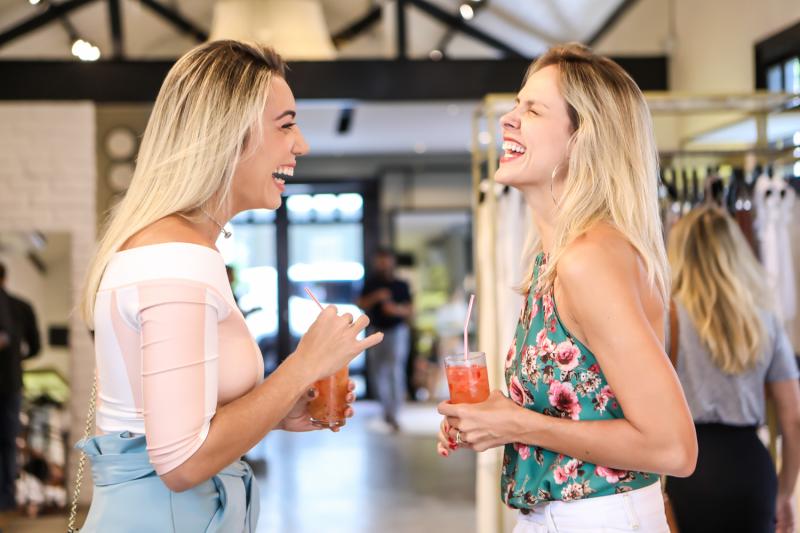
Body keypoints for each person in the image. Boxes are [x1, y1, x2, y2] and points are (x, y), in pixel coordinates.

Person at [76, 40, 383, 532]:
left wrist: (276, 409)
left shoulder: (173, 247)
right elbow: (181, 464)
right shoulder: (178, 259)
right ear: (228, 134)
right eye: (285, 125)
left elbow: (170, 417)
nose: (301, 145)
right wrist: (304, 365)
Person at [436, 43, 697, 532]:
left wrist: (518, 423)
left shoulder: (588, 260)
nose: (508, 119)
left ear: (583, 140)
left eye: (533, 110)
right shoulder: (555, 259)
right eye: (516, 105)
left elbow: (673, 448)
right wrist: (497, 417)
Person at [664, 206, 800, 533]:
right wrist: (784, 491)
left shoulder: (668, 317)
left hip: (691, 467)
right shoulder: (764, 319)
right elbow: (794, 418)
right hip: (751, 469)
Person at [0, 262, 41, 515]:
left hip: (10, 383)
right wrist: (17, 358)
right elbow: (36, 347)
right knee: (8, 441)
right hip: (11, 383)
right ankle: (5, 498)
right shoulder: (21, 307)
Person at [358, 248, 412, 431]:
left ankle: (394, 411)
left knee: (395, 370)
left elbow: (409, 310)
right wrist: (377, 297)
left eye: (386, 259)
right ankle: (386, 410)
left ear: (392, 261)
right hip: (375, 331)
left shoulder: (401, 285)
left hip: (397, 331)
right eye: (380, 260)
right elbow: (360, 303)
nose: (383, 263)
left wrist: (394, 310)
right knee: (378, 371)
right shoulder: (370, 283)